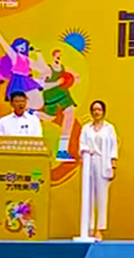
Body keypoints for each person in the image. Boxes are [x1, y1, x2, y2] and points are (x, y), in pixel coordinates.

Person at [79, 100, 118, 241]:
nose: (96, 112)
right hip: (89, 161)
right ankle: (89, 227)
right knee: (88, 195)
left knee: (102, 197)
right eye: (94, 109)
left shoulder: (109, 128)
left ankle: (99, 229)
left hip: (103, 162)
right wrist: (85, 153)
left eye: (99, 110)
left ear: (103, 112)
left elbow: (113, 146)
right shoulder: (86, 128)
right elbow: (81, 145)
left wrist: (113, 164)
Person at [37, 49, 79, 162]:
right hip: (51, 98)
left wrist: (73, 79)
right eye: (57, 57)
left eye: (60, 57)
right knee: (50, 118)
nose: (58, 59)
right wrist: (57, 83)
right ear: (53, 57)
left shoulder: (65, 69)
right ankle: (34, 114)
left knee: (70, 115)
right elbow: (39, 85)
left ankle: (62, 150)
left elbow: (76, 77)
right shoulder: (47, 70)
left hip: (64, 96)